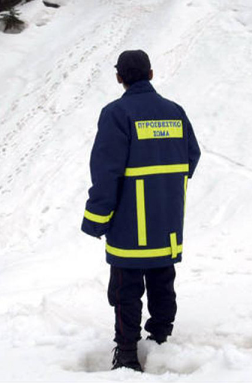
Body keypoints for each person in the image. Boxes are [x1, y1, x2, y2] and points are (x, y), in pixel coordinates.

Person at [81, 50, 200, 372]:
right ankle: (160, 339)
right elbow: (192, 156)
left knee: (126, 290)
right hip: (167, 220)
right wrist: (165, 187)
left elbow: (106, 173)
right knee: (163, 280)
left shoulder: (116, 114)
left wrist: (95, 220)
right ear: (150, 73)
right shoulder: (175, 112)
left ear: (119, 77)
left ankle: (128, 354)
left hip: (130, 224)